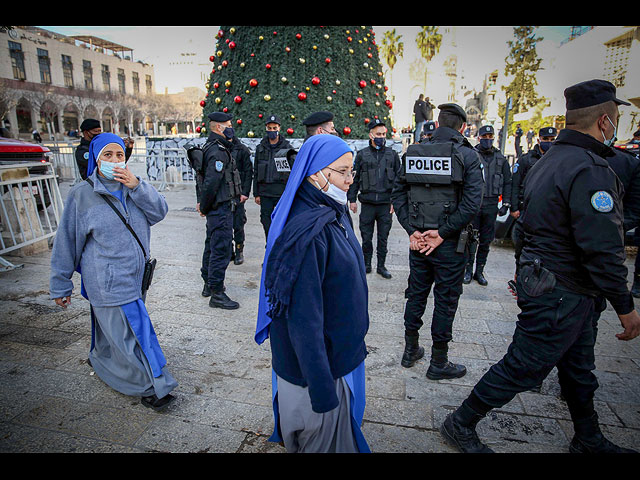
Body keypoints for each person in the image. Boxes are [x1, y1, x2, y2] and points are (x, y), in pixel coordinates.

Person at [441, 79, 640, 454]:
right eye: (615, 118)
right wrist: (625, 305)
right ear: (604, 121)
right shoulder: (590, 169)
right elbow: (602, 248)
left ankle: (588, 438)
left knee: (579, 369)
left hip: (557, 285)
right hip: (562, 292)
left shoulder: (549, 161)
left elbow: (530, 227)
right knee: (524, 366)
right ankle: (461, 422)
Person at [254, 134, 370, 453]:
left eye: (352, 171)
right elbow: (303, 322)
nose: (349, 180)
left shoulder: (331, 209)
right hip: (319, 371)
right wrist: (322, 392)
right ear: (315, 174)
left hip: (340, 354)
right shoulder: (308, 233)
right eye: (342, 172)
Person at [49, 132, 177, 411]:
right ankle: (151, 385)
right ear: (96, 159)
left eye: (119, 155)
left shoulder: (133, 186)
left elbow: (160, 212)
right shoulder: (82, 194)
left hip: (136, 277)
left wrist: (137, 186)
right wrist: (60, 285)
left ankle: (103, 361)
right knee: (134, 334)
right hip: (107, 280)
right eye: (108, 155)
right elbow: (66, 242)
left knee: (115, 332)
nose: (115, 160)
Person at [391, 103, 483, 377]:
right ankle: (439, 362)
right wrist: (442, 234)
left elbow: (398, 194)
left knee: (416, 294)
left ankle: (410, 351)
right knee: (446, 299)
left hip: (419, 241)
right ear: (462, 127)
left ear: (438, 124)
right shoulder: (468, 156)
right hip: (450, 245)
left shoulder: (414, 151)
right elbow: (471, 205)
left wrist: (412, 230)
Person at [198, 112, 243, 309]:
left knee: (211, 245)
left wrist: (205, 206)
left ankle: (208, 283)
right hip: (221, 208)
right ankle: (217, 293)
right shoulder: (217, 151)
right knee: (221, 250)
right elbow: (211, 183)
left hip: (217, 208)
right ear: (218, 128)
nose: (231, 127)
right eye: (228, 125)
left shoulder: (215, 146)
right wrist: (206, 206)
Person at [347, 119, 401, 279]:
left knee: (383, 237)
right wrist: (352, 199)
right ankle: (366, 264)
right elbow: (354, 179)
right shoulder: (362, 155)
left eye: (384, 134)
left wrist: (395, 202)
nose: (381, 137)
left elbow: (399, 179)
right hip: (368, 204)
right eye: (378, 134)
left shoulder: (392, 155)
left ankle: (381, 266)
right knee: (366, 237)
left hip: (385, 204)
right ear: (371, 135)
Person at [463, 125, 512, 286]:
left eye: (490, 136)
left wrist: (506, 203)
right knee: (471, 239)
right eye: (485, 136)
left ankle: (480, 271)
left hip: (491, 205)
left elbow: (507, 182)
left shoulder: (501, 159)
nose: (488, 139)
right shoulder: (473, 156)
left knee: (486, 240)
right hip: (475, 204)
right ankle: (468, 270)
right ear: (479, 138)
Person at [253, 115, 296, 240]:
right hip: (265, 192)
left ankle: (281, 244)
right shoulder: (260, 148)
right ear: (266, 128)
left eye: (274, 128)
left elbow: (292, 172)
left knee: (283, 221)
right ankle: (270, 243)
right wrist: (256, 193)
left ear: (279, 128)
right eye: (269, 128)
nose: (272, 131)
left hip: (281, 192)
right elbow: (256, 172)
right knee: (265, 220)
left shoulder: (287, 148)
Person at [509, 126, 557, 220]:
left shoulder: (557, 160)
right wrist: (514, 207)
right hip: (526, 208)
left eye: (552, 139)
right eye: (546, 139)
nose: (549, 142)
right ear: (539, 141)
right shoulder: (526, 159)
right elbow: (515, 184)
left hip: (548, 209)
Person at [229, 134, 253, 265]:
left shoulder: (242, 150)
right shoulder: (220, 149)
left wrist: (245, 192)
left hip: (238, 195)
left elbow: (248, 172)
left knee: (238, 224)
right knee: (225, 225)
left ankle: (239, 251)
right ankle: (229, 251)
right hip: (224, 195)